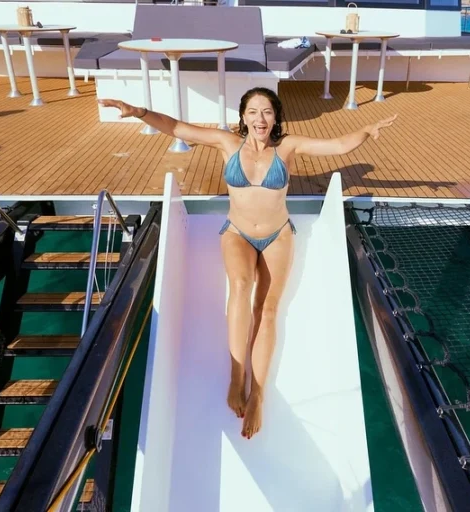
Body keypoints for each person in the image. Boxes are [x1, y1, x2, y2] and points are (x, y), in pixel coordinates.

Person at [99, 88, 396, 439]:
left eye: (267, 111)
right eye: (253, 111)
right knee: (240, 287)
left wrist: (367, 131)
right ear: (242, 117)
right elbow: (177, 127)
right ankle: (236, 375)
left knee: (267, 310)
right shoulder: (227, 144)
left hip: (277, 235)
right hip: (237, 233)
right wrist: (138, 111)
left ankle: (258, 393)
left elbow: (338, 146)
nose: (260, 119)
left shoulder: (287, 147)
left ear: (276, 117)